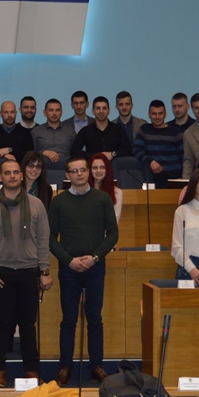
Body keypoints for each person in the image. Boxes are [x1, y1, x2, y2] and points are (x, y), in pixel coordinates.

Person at [0, 159, 52, 387]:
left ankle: (31, 371)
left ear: (21, 176)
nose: (12, 176)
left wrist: (44, 270)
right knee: (2, 325)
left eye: (16, 172)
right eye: (7, 173)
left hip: (29, 272)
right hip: (1, 274)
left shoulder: (36, 204)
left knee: (28, 326)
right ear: (0, 177)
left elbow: (43, 239)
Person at [49, 155, 118, 385]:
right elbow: (50, 237)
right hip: (69, 269)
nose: (79, 174)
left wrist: (95, 257)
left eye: (83, 170)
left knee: (95, 318)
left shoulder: (102, 199)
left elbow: (113, 233)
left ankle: (96, 366)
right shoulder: (59, 201)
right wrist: (68, 260)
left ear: (88, 172)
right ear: (67, 175)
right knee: (68, 319)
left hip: (95, 267)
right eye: (74, 171)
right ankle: (65, 367)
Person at [133, 100, 184, 189]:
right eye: (154, 114)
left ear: (165, 114)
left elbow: (184, 158)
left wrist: (183, 179)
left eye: (160, 113)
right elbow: (136, 150)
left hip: (174, 180)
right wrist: (150, 161)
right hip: (152, 180)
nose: (157, 117)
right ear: (149, 115)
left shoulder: (176, 133)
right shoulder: (144, 130)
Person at [31, 98, 76, 167]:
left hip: (66, 169)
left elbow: (75, 153)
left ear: (61, 112)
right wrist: (43, 152)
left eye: (57, 110)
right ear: (45, 112)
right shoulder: (36, 131)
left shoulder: (70, 131)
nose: (54, 113)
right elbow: (30, 153)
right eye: (51, 110)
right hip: (41, 169)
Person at [90, 153, 123, 222]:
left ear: (107, 169)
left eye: (102, 167)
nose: (98, 171)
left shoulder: (117, 192)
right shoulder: (83, 190)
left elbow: (114, 220)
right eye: (95, 168)